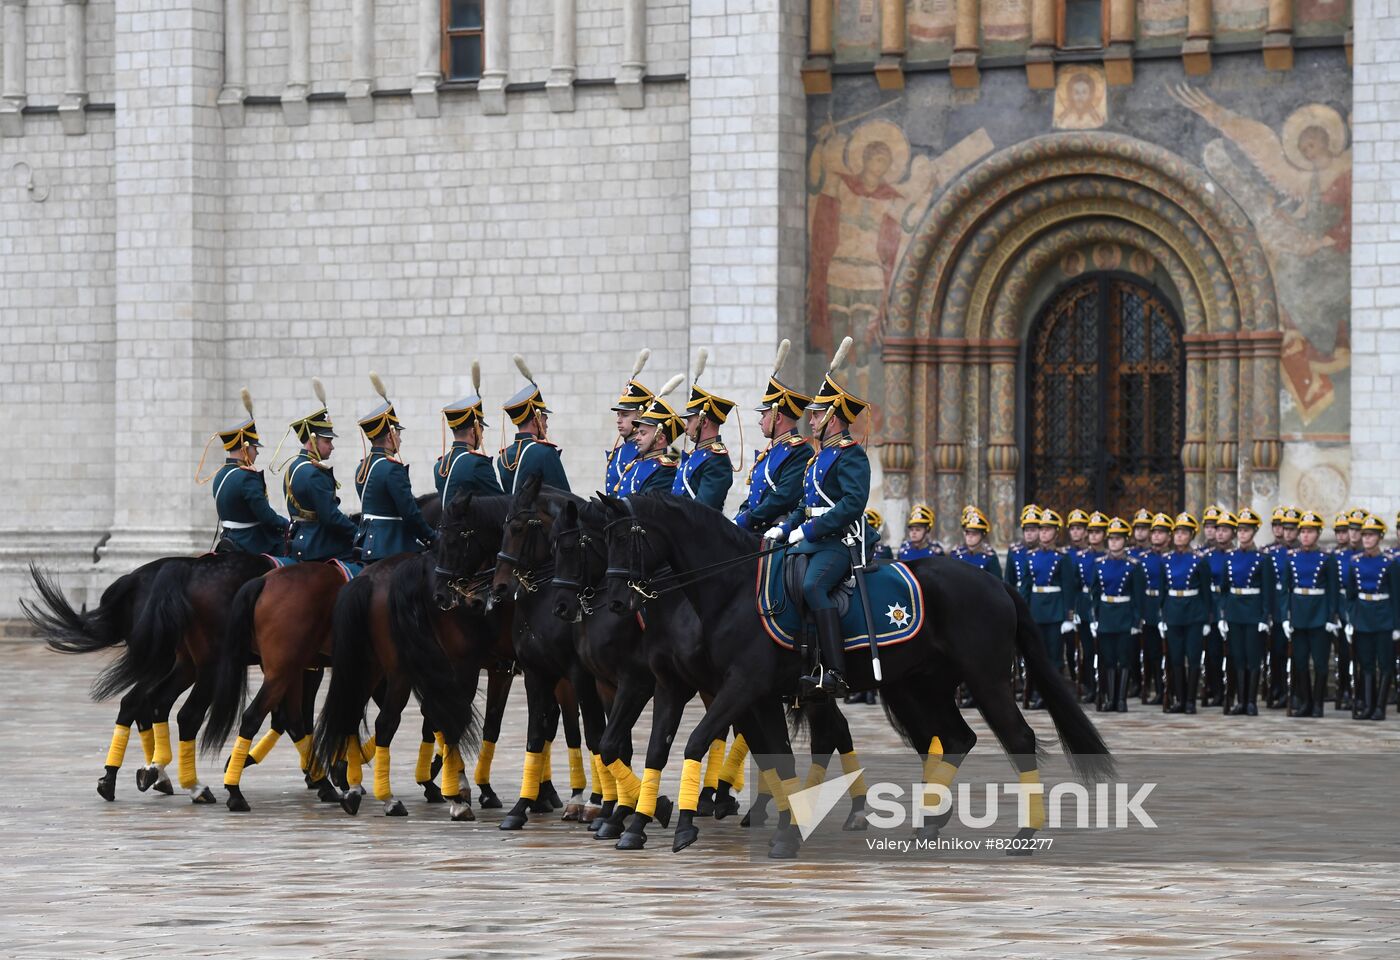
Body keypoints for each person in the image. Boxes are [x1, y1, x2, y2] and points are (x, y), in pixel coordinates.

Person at [766, 337, 870, 699]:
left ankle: (836, 672)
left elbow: (852, 504)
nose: (809, 419)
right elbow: (804, 503)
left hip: (839, 541)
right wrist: (787, 526)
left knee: (813, 586)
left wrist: (809, 529)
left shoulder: (850, 454)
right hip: (812, 538)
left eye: (815, 414)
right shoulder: (816, 457)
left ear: (832, 417)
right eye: (811, 414)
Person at [354, 374, 436, 563]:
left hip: (367, 545)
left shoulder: (362, 467)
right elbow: (409, 512)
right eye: (398, 434)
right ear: (390, 436)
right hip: (393, 545)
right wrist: (431, 537)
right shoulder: (392, 469)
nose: (400, 439)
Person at [734, 340, 812, 533]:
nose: (760, 421)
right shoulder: (768, 453)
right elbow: (753, 495)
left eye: (764, 415)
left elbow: (783, 497)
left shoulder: (800, 452)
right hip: (755, 528)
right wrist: (738, 518)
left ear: (777, 416)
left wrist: (747, 520)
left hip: (776, 532)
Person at [204, 389, 289, 555]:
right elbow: (266, 516)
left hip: (228, 538)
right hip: (251, 542)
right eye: (255, 448)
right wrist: (287, 524)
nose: (257, 452)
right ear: (245, 448)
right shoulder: (247, 477)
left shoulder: (220, 475)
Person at [284, 379, 358, 562]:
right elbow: (330, 517)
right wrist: (357, 533)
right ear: (312, 440)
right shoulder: (315, 472)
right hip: (319, 544)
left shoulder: (293, 467)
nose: (332, 447)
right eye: (327, 441)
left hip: (298, 539)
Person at [1282, 510, 1342, 718]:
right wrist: (1285, 617)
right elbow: (1286, 589)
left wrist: (1331, 617)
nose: (1305, 536)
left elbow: (1333, 591)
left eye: (1310, 532)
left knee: (1320, 663)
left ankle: (1318, 704)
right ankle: (1305, 702)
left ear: (1317, 534)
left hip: (1319, 614)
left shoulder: (1327, 558)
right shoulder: (1291, 557)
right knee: (1300, 661)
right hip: (1298, 614)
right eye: (1303, 532)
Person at [1217, 508, 1275, 716]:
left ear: (1254, 532)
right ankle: (1240, 701)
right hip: (1234, 611)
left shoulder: (1262, 558)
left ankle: (1251, 701)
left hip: (1253, 612)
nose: (1242, 534)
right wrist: (1223, 613)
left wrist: (1264, 616)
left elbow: (1268, 591)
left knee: (1253, 657)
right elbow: (1223, 588)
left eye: (1246, 530)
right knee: (1237, 657)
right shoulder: (1230, 557)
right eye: (1239, 530)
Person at [1342, 516, 1400, 721]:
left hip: (1383, 618)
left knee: (1384, 664)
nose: (1366, 539)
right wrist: (1352, 619)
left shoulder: (1390, 563)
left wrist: (1396, 625)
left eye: (1371, 535)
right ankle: (1367, 705)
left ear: (1380, 537)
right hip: (1363, 618)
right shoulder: (1355, 562)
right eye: (1364, 535)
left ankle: (1380, 708)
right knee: (1366, 664)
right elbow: (1350, 595)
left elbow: (1396, 596)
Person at [1020, 508, 1078, 710]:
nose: (1043, 533)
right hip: (1036, 610)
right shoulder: (1030, 556)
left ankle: (1052, 694)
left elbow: (1069, 589)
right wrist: (1022, 612)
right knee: (1036, 654)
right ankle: (1037, 692)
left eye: (1048, 529)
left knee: (1054, 656)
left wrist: (1068, 616)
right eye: (1041, 529)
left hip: (1055, 612)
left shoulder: (1062, 558)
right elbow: (1025, 588)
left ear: (1056, 532)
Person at [1088, 518, 1147, 713]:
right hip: (1106, 615)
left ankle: (1121, 699)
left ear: (1125, 541)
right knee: (1108, 659)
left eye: (1118, 538)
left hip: (1124, 615)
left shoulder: (1133, 565)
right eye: (1111, 538)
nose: (1114, 542)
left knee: (1124, 658)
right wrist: (1094, 617)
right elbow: (1095, 593)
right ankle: (1110, 699)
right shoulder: (1099, 564)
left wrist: (1136, 620)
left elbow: (1139, 596)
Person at [1159, 513, 1213, 714]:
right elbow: (1163, 590)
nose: (1179, 536)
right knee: (1176, 658)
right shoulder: (1166, 560)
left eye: (1183, 533)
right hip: (1173, 611)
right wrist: (1162, 615)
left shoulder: (1199, 560)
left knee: (1193, 657)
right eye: (1177, 533)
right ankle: (1179, 700)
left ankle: (1190, 700)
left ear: (1191, 536)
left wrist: (1208, 618)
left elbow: (1207, 592)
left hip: (1194, 613)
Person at [498, 355, 570, 494]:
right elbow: (565, 498)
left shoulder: (503, 458)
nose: (546, 425)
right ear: (535, 420)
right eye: (544, 419)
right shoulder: (545, 453)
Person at [436, 366, 504, 510]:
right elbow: (500, 505)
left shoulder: (440, 466)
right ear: (474, 431)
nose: (482, 436)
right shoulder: (477, 464)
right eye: (481, 430)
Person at [673, 353, 735, 510]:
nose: (685, 427)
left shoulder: (717, 460)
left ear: (704, 421)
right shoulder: (697, 454)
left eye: (690, 420)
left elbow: (702, 510)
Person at [615, 381, 684, 496]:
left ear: (661, 438)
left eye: (643, 433)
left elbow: (648, 507)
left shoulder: (664, 469)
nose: (637, 438)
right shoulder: (634, 464)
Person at [1134, 513, 1172, 706]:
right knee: (1151, 652)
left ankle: (1167, 689)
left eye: (1161, 532)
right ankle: (1152, 687)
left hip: (1165, 605)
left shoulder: (1171, 557)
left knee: (1168, 652)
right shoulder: (1142, 558)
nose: (1156, 536)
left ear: (1169, 537)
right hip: (1148, 607)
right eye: (1154, 532)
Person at [1202, 511, 1236, 708]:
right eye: (1218, 530)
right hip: (1212, 607)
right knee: (1213, 653)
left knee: (1231, 653)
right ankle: (1214, 689)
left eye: (1225, 530)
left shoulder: (1234, 555)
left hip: (1231, 605)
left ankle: (1230, 690)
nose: (1220, 534)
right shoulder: (1207, 556)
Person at [606, 350, 653, 495]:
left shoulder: (647, 451)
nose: (618, 420)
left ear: (640, 415)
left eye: (625, 415)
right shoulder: (619, 451)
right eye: (618, 414)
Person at [1331, 512, 1359, 711]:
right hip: (1338, 605)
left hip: (1355, 605)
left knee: (1356, 653)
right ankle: (1342, 690)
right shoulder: (1333, 556)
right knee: (1340, 652)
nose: (1343, 536)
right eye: (1338, 532)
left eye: (1346, 531)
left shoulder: (1356, 556)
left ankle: (1354, 691)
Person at [951, 505, 1001, 577]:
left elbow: (997, 584)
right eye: (967, 533)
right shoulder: (956, 554)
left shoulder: (989, 557)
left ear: (982, 535)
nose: (970, 536)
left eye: (974, 533)